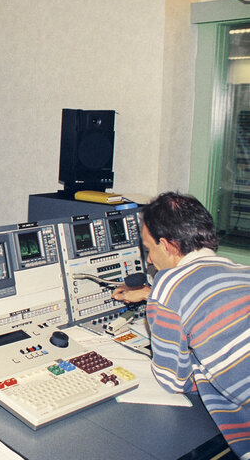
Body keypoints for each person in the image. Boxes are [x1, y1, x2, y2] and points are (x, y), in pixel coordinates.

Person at [112, 192, 250, 458]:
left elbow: (172, 380)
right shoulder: (242, 272)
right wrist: (151, 294)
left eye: (149, 249)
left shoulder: (167, 286)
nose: (149, 260)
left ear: (168, 246)